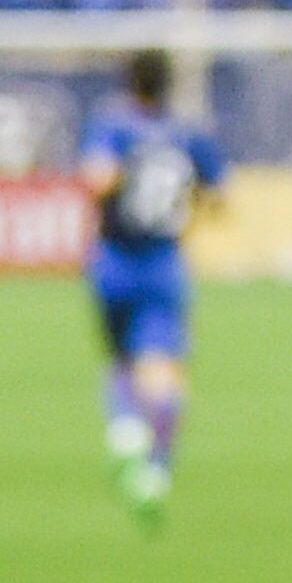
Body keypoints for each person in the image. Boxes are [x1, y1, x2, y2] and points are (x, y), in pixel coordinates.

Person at [79, 48, 225, 523]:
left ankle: (124, 428)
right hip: (163, 263)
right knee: (164, 370)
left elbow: (97, 181)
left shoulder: (114, 126)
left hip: (113, 261)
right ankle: (155, 470)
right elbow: (220, 195)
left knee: (121, 358)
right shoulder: (189, 135)